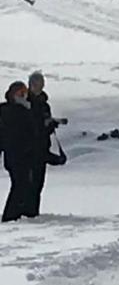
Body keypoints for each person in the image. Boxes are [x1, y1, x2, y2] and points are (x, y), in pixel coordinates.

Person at [2, 82, 37, 223]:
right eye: (19, 93)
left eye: (24, 93)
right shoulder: (7, 110)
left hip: (26, 154)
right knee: (19, 184)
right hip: (14, 154)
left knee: (24, 185)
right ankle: (10, 215)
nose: (23, 96)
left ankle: (19, 213)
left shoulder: (26, 110)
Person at [26, 71, 59, 218]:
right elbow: (27, 126)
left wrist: (50, 125)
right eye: (37, 84)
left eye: (41, 84)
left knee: (39, 183)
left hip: (42, 148)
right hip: (28, 149)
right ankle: (27, 212)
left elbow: (45, 127)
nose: (39, 87)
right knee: (29, 183)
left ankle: (34, 212)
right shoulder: (25, 103)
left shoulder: (45, 104)